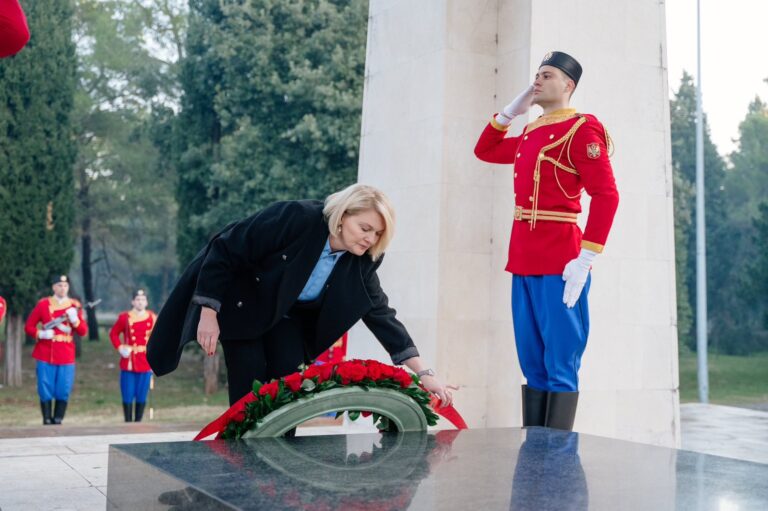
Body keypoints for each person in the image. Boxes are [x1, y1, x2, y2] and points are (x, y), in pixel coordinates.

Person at [148, 184, 456, 407]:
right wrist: (209, 312)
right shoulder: (296, 217)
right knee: (249, 392)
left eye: (377, 234)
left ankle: (280, 472)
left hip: (289, 320)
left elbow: (381, 315)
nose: (370, 239)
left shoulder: (362, 262)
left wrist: (424, 373)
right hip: (246, 305)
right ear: (343, 215)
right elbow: (227, 248)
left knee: (288, 391)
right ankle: (239, 467)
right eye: (365, 228)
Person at [474, 51, 619, 430]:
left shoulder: (581, 130)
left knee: (560, 362)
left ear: (568, 85)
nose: (537, 80)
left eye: (547, 75)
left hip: (561, 262)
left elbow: (606, 195)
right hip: (523, 258)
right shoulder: (531, 131)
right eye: (536, 74)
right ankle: (535, 452)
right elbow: (484, 150)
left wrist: (586, 258)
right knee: (532, 362)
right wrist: (510, 112)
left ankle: (558, 457)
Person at [25, 275, 88, 425]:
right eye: (59, 285)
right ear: (54, 287)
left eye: (65, 285)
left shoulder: (74, 306)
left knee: (63, 388)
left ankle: (58, 418)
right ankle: (47, 418)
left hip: (66, 353)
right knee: (45, 387)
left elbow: (83, 332)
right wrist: (41, 334)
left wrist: (75, 320)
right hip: (46, 352)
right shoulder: (43, 304)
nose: (63, 288)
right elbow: (29, 327)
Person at [109, 289, 156, 422]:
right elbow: (113, 334)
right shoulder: (125, 317)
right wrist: (120, 347)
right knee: (127, 394)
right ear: (132, 302)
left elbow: (157, 339)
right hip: (129, 360)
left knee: (142, 395)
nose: (140, 302)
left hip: (145, 360)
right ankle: (128, 422)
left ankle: (138, 422)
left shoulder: (152, 318)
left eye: (143, 299)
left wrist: (155, 359)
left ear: (146, 302)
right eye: (137, 299)